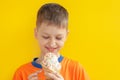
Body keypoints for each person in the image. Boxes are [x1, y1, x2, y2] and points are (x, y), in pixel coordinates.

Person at [13, 3, 90, 80]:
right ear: (36, 33)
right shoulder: (22, 73)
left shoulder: (76, 70)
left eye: (58, 38)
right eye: (46, 37)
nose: (52, 44)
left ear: (66, 35)